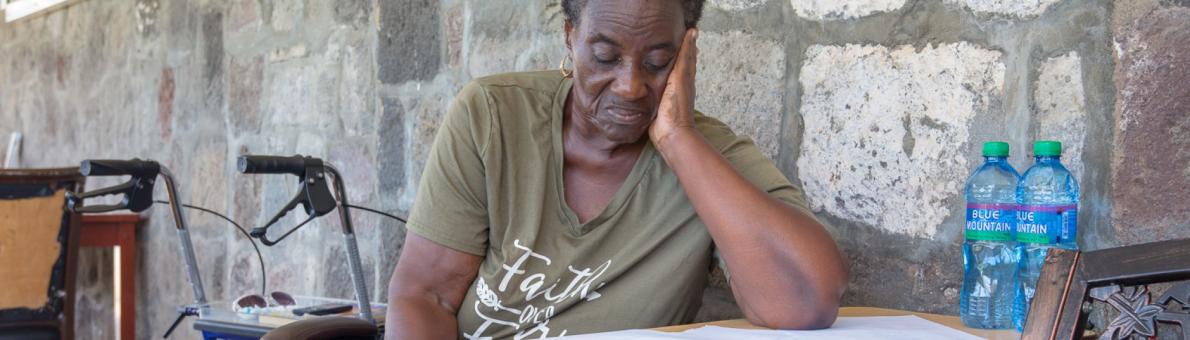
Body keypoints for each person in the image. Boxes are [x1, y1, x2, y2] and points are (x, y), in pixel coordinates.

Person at [385, 0, 848, 338]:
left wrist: (677, 140)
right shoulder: (492, 116)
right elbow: (427, 296)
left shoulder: (709, 157)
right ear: (570, 36)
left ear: (689, 52)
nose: (629, 86)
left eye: (658, 62)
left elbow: (805, 301)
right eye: (605, 57)